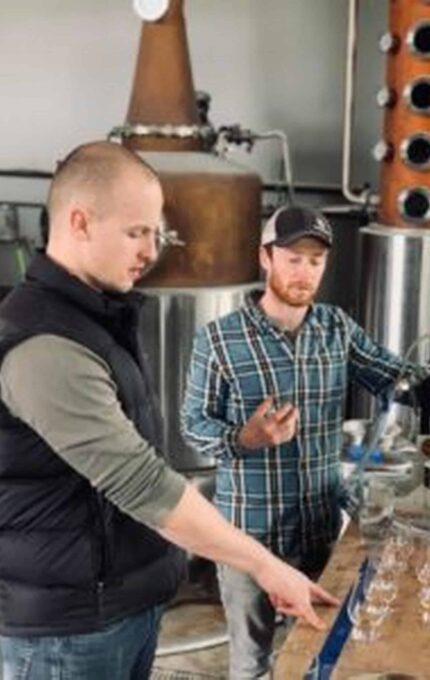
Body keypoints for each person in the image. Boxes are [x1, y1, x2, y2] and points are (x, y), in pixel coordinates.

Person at [0, 143, 337, 680]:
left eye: (157, 233)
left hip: (117, 607)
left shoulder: (96, 317)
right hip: (68, 632)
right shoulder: (46, 345)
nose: (152, 250)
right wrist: (265, 565)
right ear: (79, 222)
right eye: (137, 232)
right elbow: (143, 483)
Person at [181, 203, 430, 679]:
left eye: (315, 261)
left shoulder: (336, 329)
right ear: (265, 258)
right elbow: (192, 426)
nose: (304, 271)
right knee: (252, 663)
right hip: (247, 539)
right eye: (293, 258)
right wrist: (245, 437)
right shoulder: (219, 340)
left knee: (318, 656)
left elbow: (396, 376)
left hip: (317, 532)